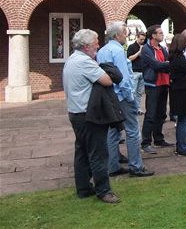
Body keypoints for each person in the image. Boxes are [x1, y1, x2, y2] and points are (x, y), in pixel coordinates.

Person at [63, 29, 119, 203]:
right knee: (98, 154)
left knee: (82, 151)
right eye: (95, 43)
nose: (98, 45)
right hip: (88, 114)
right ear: (86, 46)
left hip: (76, 112)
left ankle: (84, 188)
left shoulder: (72, 59)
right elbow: (107, 80)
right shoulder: (84, 62)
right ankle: (104, 191)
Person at [97, 22, 154, 178]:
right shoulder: (117, 51)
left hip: (109, 96)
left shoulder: (102, 51)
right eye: (125, 33)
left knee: (113, 130)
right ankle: (136, 166)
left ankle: (113, 165)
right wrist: (130, 98)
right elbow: (123, 77)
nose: (126, 36)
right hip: (121, 96)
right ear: (117, 35)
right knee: (133, 131)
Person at [140, 25, 172, 154]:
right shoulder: (146, 50)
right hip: (153, 85)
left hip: (164, 84)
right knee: (151, 114)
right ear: (153, 35)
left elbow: (166, 63)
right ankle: (146, 142)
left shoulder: (162, 49)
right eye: (160, 33)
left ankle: (158, 138)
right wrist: (166, 65)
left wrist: (164, 65)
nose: (162, 35)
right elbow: (155, 65)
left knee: (161, 113)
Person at [168, 34, 186, 156]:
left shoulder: (172, 57)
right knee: (183, 121)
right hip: (183, 92)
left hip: (176, 90)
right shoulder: (181, 59)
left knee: (181, 120)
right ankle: (182, 147)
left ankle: (180, 146)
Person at [126, 31, 146, 115]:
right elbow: (129, 58)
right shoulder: (131, 47)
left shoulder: (145, 46)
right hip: (134, 72)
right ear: (137, 37)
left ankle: (137, 108)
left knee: (139, 92)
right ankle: (132, 108)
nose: (142, 41)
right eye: (141, 39)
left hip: (143, 71)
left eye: (143, 39)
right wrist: (139, 52)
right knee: (133, 91)